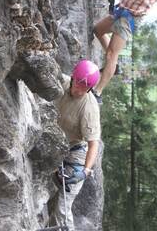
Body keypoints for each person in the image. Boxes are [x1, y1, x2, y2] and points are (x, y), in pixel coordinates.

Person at [51, 60, 101, 231]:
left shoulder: (89, 107)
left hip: (75, 152)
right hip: (54, 141)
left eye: (84, 88)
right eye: (78, 84)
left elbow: (94, 144)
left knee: (63, 207)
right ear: (73, 78)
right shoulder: (62, 82)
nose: (79, 90)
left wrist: (85, 171)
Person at [92, 0, 157, 104]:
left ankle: (97, 92)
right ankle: (114, 66)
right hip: (121, 11)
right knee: (97, 30)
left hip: (129, 18)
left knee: (112, 54)